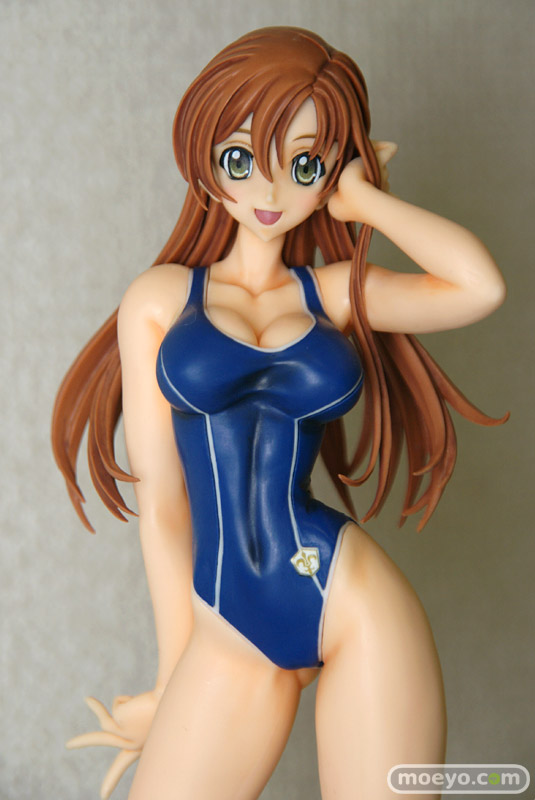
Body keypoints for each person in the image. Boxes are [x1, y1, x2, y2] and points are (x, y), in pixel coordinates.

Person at [52, 26, 507, 800]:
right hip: (229, 622)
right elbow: (164, 506)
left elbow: (477, 287)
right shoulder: (160, 300)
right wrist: (171, 676)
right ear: (202, 153)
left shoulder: (330, 294)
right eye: (242, 159)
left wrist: (364, 201)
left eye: (302, 166)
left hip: (352, 602)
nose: (269, 195)